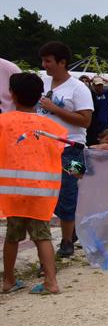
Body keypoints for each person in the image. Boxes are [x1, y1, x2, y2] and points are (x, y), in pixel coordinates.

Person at [1, 72, 64, 295]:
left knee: (12, 237)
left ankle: (8, 281)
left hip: (12, 192)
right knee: (42, 236)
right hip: (41, 191)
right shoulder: (51, 128)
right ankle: (51, 281)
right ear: (40, 96)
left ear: (12, 95)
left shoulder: (3, 123)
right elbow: (60, 155)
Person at [37, 41, 93, 258]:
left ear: (62, 62)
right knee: (51, 195)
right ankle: (71, 233)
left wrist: (55, 109)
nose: (45, 65)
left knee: (70, 192)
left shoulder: (78, 88)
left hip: (72, 149)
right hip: (45, 148)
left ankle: (68, 241)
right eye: (43, 60)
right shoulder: (42, 83)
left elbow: (85, 121)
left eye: (48, 61)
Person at [86, 76, 108, 146]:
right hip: (93, 127)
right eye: (97, 85)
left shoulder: (106, 93)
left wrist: (103, 78)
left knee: (104, 145)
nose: (100, 87)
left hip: (105, 126)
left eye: (101, 85)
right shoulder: (90, 94)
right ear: (93, 85)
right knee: (93, 145)